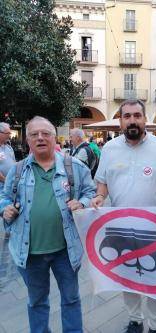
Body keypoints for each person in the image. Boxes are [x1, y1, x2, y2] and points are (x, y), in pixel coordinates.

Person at [91, 99, 156, 333]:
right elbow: (102, 183)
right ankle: (135, 319)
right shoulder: (109, 148)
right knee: (127, 277)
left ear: (145, 119)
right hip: (121, 226)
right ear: (120, 121)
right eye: (127, 116)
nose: (132, 120)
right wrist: (100, 197)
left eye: (137, 115)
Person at [0, 116, 96, 333]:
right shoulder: (16, 171)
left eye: (46, 133)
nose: (40, 138)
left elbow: (91, 193)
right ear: (28, 140)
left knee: (71, 299)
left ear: (55, 138)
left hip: (66, 250)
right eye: (34, 134)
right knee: (37, 302)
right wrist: (4, 208)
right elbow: (4, 197)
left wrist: (82, 202)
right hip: (29, 252)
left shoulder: (76, 167)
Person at [0, 122, 16, 192]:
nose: (9, 136)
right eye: (8, 133)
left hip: (9, 184)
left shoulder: (9, 148)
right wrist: (6, 181)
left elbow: (14, 164)